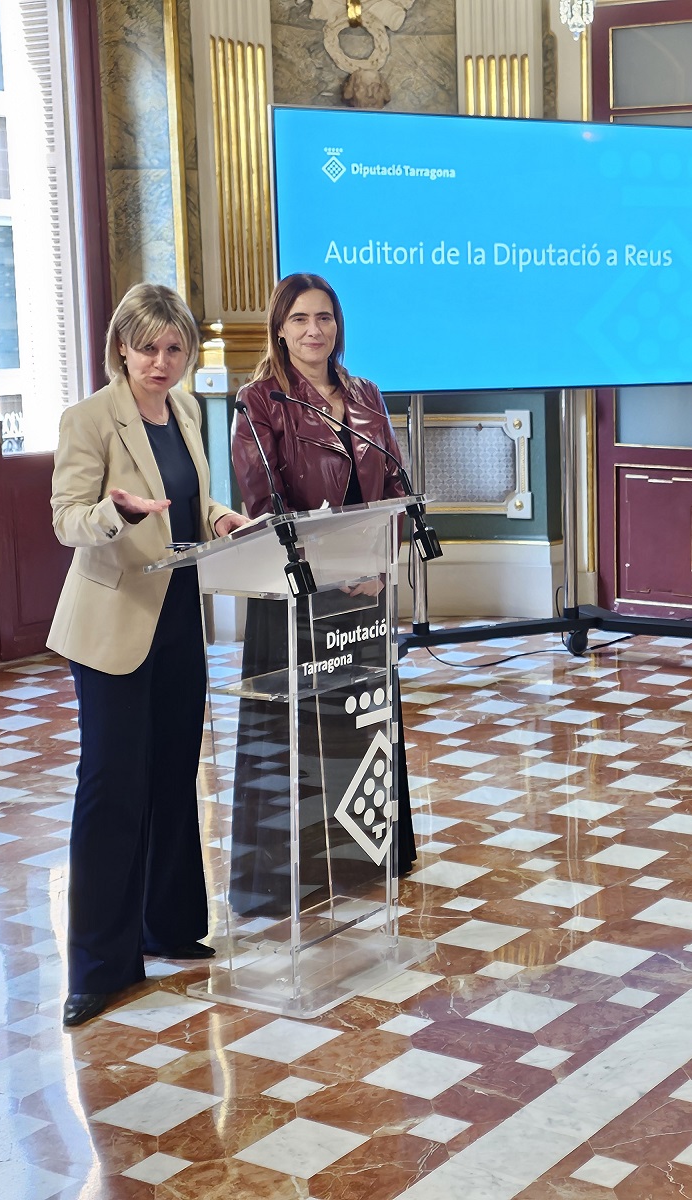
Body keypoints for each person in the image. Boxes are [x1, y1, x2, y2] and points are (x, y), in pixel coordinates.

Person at [47, 283, 244, 1027]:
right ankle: (97, 965)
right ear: (120, 348)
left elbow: (190, 500)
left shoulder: (186, 411)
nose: (161, 363)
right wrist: (113, 512)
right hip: (111, 624)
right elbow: (68, 521)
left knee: (170, 775)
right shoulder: (88, 419)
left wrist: (221, 517)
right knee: (110, 786)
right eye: (147, 348)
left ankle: (170, 926)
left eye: (173, 348)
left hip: (176, 618)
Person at [226, 273, 416, 917]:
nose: (315, 330)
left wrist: (378, 561)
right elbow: (264, 500)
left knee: (361, 716)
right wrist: (334, 564)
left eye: (326, 318)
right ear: (279, 327)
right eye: (301, 319)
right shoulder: (260, 401)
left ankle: (367, 854)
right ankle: (298, 869)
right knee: (300, 730)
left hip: (367, 588)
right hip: (299, 592)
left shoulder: (365, 393)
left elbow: (391, 481)